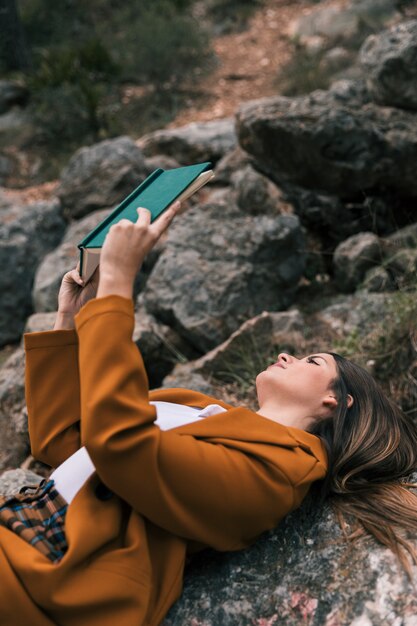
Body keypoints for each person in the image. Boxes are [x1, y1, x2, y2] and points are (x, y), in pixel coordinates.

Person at [0, 201, 416, 625]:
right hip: (17, 534)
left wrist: (118, 285)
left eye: (312, 362)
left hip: (42, 576)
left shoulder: (278, 475)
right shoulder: (202, 410)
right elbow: (67, 441)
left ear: (336, 401)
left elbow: (119, 444)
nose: (287, 354)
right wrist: (71, 318)